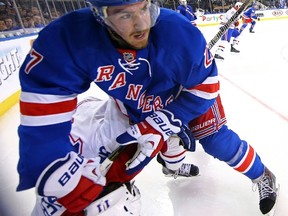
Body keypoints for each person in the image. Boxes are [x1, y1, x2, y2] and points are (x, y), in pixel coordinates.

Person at [16, 0, 278, 216]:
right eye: (125, 14)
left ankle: (263, 175)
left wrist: (168, 118)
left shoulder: (178, 32)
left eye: (144, 8)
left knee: (214, 139)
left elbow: (205, 87)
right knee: (124, 152)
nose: (142, 23)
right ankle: (172, 166)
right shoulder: (70, 39)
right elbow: (46, 102)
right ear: (100, 16)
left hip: (187, 96)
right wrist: (50, 163)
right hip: (135, 104)